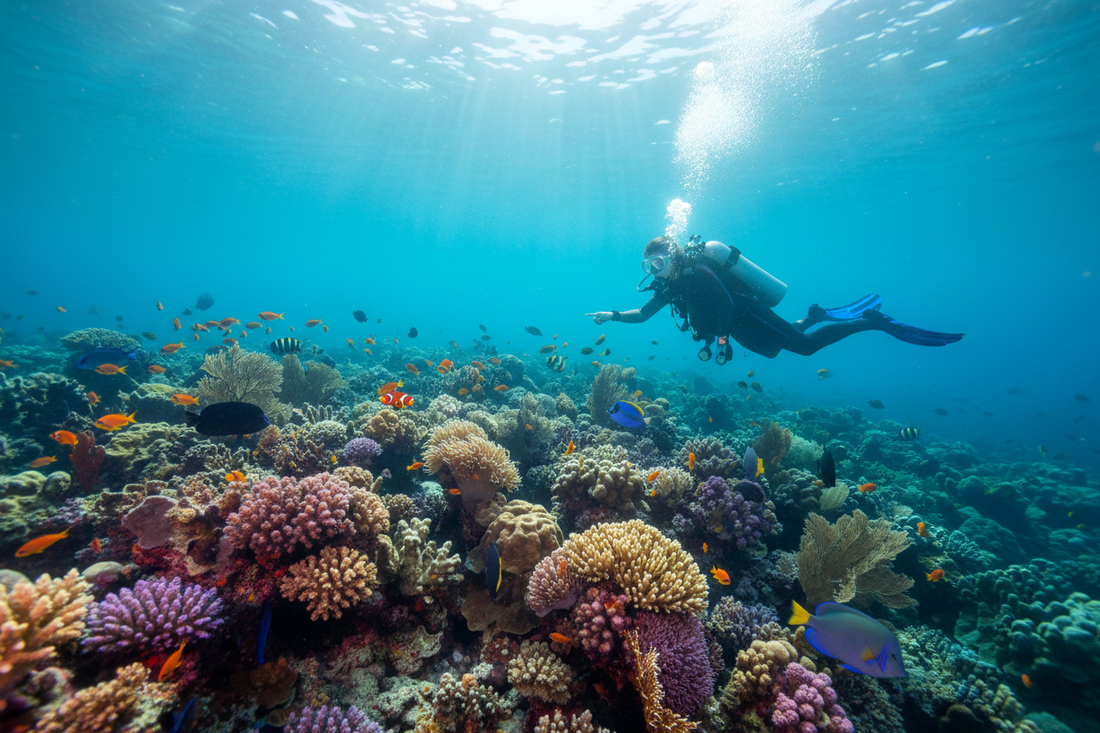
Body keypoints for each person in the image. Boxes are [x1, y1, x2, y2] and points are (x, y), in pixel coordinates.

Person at [586, 236, 963, 364]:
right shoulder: (667, 286)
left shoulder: (699, 271)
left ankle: (872, 322)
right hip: (735, 328)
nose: (654, 270)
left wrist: (719, 338)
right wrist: (612, 315)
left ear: (673, 256)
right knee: (775, 351)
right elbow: (644, 314)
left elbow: (726, 305)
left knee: (804, 349)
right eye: (648, 265)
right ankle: (814, 315)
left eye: (659, 262)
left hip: (747, 315)